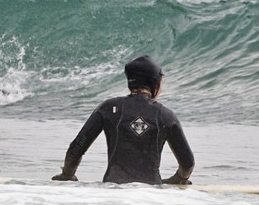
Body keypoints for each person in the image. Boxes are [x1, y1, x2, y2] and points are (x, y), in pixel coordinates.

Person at [53, 54, 194, 185]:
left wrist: (67, 175)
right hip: (152, 196)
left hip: (114, 192)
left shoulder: (108, 108)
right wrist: (179, 179)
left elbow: (77, 148)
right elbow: (187, 164)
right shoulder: (166, 115)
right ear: (154, 83)